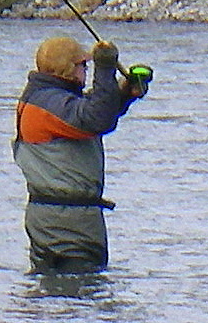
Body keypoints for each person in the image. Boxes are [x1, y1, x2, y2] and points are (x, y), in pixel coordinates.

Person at [14, 32, 148, 272]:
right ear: (66, 68)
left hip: (53, 219)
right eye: (83, 65)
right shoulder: (48, 104)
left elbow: (91, 113)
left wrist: (125, 93)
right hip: (69, 224)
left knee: (53, 288)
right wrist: (105, 68)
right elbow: (96, 119)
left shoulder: (44, 99)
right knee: (82, 288)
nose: (86, 69)